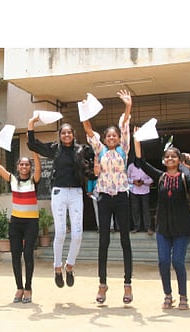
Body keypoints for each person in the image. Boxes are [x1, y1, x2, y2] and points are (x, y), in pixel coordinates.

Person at [134, 136, 190, 309]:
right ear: (163, 160)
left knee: (178, 261)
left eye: (174, 156)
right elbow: (141, 163)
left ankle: (183, 296)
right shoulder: (161, 177)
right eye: (167, 156)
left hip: (182, 227)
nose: (170, 159)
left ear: (179, 160)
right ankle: (168, 295)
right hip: (163, 228)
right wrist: (137, 141)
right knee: (163, 262)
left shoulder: (185, 177)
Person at [82, 88, 133, 304]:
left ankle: (127, 284)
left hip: (121, 197)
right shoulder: (99, 150)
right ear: (104, 138)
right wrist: (85, 111)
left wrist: (128, 106)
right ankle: (102, 285)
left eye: (115, 135)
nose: (112, 137)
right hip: (103, 198)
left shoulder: (123, 149)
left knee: (125, 240)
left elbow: (125, 123)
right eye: (109, 135)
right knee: (103, 241)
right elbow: (88, 129)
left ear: (119, 138)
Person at [27, 114, 87, 289]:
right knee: (60, 232)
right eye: (63, 133)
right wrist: (31, 124)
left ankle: (70, 266)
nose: (67, 135)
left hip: (76, 193)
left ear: (73, 135)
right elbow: (32, 145)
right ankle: (57, 267)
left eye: (69, 132)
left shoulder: (81, 150)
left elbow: (96, 154)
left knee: (77, 234)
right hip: (59, 192)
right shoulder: (55, 149)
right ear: (60, 135)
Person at [0, 141, 41, 303]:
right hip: (16, 223)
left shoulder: (34, 180)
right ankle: (19, 288)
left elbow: (38, 169)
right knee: (15, 255)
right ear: (18, 166)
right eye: (21, 164)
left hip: (31, 223)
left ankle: (28, 288)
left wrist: (34, 150)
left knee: (28, 254)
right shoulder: (13, 180)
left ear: (30, 167)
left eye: (27, 164)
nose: (24, 166)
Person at [127, 160, 154, 234]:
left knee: (146, 209)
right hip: (133, 190)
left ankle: (148, 227)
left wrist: (143, 182)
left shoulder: (147, 166)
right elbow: (126, 178)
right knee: (135, 209)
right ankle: (136, 227)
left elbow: (151, 179)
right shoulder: (131, 166)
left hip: (145, 190)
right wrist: (133, 181)